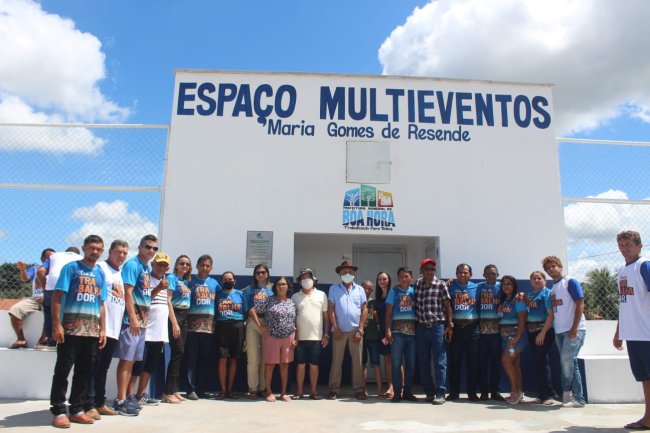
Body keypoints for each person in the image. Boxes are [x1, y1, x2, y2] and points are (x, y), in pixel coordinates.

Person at [49, 235, 107, 429]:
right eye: (92, 248)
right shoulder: (71, 268)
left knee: (84, 372)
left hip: (92, 332)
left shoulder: (100, 273)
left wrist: (103, 329)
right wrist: (56, 325)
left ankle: (76, 409)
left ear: (102, 251)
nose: (95, 252)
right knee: (63, 371)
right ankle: (58, 411)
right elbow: (57, 297)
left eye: (98, 249)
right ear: (84, 248)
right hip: (70, 330)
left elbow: (101, 304)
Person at [113, 234, 161, 415]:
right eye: (148, 247)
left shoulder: (146, 268)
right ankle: (120, 400)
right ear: (140, 247)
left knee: (133, 361)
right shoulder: (133, 265)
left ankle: (127, 396)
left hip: (142, 323)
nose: (151, 250)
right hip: (131, 322)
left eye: (154, 248)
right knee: (126, 361)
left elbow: (146, 295)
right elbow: (128, 292)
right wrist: (133, 318)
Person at [83, 240, 128, 420]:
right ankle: (88, 405)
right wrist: (100, 326)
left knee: (103, 368)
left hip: (114, 329)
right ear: (110, 252)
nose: (121, 255)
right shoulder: (101, 267)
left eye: (125, 253)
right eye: (118, 252)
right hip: (100, 328)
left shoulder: (120, 274)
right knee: (91, 367)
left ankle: (99, 403)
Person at [613, 230, 650, 430]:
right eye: (621, 245)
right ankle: (648, 417)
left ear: (639, 246)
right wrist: (619, 332)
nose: (624, 248)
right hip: (633, 334)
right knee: (644, 377)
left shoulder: (644, 266)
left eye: (628, 244)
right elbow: (624, 304)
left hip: (647, 333)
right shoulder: (621, 270)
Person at [543, 255, 587, 408]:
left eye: (553, 266)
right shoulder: (553, 289)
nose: (551, 269)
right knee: (569, 362)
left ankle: (573, 396)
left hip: (573, 329)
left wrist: (574, 327)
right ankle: (573, 397)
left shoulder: (570, 282)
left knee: (566, 361)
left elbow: (580, 303)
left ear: (560, 267)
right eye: (548, 268)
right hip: (559, 331)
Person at [129, 252, 172, 407]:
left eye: (164, 265)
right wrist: (159, 288)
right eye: (159, 264)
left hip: (159, 332)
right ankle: (129, 395)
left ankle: (141, 394)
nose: (161, 267)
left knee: (150, 366)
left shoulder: (166, 282)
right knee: (137, 366)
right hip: (145, 330)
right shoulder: (146, 279)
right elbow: (146, 299)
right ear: (153, 264)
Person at [249, 276, 297, 402]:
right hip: (272, 337)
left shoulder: (292, 303)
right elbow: (252, 311)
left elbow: (294, 321)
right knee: (270, 365)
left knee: (285, 365)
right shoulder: (269, 300)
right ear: (275, 287)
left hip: (288, 338)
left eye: (284, 284)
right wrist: (260, 326)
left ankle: (283, 393)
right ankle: (268, 392)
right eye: (279, 284)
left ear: (288, 286)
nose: (281, 286)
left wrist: (295, 338)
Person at [327, 260, 368, 400]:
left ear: (354, 274)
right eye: (344, 272)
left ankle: (359, 389)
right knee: (336, 361)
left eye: (350, 272)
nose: (347, 274)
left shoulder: (360, 290)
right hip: (339, 330)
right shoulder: (334, 289)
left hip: (356, 330)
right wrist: (335, 327)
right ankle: (334, 389)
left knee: (357, 361)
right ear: (340, 274)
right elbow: (330, 309)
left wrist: (360, 330)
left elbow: (364, 310)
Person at [414, 259, 452, 405]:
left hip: (437, 327)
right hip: (421, 328)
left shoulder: (441, 284)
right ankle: (429, 392)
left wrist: (450, 325)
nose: (430, 272)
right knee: (423, 361)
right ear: (421, 271)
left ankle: (440, 393)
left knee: (440, 361)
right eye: (427, 269)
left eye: (432, 269)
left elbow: (447, 306)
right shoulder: (417, 284)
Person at [185, 254, 219, 400]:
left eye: (207, 266)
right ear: (197, 266)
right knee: (191, 360)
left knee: (204, 360)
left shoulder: (214, 284)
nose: (204, 268)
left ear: (211, 268)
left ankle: (201, 389)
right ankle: (190, 389)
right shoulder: (189, 281)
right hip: (192, 328)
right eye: (202, 265)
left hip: (209, 329)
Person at [291, 268, 329, 400]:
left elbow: (326, 316)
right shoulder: (295, 297)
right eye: (303, 278)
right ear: (299, 281)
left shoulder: (322, 295)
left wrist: (326, 334)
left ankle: (313, 391)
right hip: (300, 338)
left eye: (308, 277)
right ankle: (299, 391)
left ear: (314, 280)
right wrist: (294, 337)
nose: (306, 280)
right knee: (300, 365)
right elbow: (292, 318)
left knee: (314, 365)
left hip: (317, 338)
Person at [8, 248, 54, 349]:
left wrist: (46, 297)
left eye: (52, 258)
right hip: (35, 299)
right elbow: (25, 278)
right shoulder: (35, 269)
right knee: (15, 309)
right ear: (42, 259)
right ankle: (21, 339)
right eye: (47, 258)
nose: (50, 260)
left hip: (51, 298)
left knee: (50, 312)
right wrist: (23, 270)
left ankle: (43, 339)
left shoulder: (57, 270)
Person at [447, 263, 480, 401]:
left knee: (473, 362)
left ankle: (472, 393)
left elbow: (495, 287)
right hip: (456, 330)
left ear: (470, 275)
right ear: (456, 274)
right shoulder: (449, 286)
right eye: (460, 272)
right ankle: (454, 393)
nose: (462, 275)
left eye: (465, 272)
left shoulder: (477, 287)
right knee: (454, 362)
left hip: (472, 329)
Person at [385, 267, 418, 402]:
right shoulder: (394, 291)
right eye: (401, 276)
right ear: (398, 278)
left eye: (406, 276)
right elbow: (388, 313)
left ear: (411, 278)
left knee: (411, 365)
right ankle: (397, 393)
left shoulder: (415, 291)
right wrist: (388, 330)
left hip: (412, 334)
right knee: (396, 364)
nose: (404, 279)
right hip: (397, 333)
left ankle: (408, 392)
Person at [163, 255, 192, 403]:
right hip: (175, 316)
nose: (184, 266)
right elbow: (168, 301)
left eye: (187, 264)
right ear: (176, 265)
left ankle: (174, 390)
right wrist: (174, 323)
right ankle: (167, 392)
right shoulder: (172, 278)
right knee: (177, 353)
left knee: (180, 354)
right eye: (182, 263)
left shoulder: (185, 281)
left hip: (185, 318)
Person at [214, 271, 247, 399]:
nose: (228, 281)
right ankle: (223, 390)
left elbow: (246, 310)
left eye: (230, 279)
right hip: (222, 326)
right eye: (225, 279)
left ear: (235, 281)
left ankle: (230, 390)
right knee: (222, 358)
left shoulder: (240, 294)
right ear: (222, 281)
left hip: (237, 326)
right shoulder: (217, 294)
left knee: (234, 358)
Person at [526, 270, 557, 405]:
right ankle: (541, 394)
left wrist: (543, 333)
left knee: (542, 362)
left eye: (539, 278)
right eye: (534, 278)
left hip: (544, 332)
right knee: (538, 362)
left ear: (545, 280)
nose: (537, 280)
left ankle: (548, 395)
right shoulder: (529, 295)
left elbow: (551, 315)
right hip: (531, 332)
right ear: (531, 281)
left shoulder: (547, 293)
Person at [43, 247, 83, 350]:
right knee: (67, 310)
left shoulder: (54, 256)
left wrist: (44, 287)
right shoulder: (81, 258)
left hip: (51, 283)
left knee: (48, 310)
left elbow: (40, 270)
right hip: (68, 284)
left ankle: (51, 339)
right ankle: (66, 339)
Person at [243, 264, 273, 399]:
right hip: (253, 323)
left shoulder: (273, 289)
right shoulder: (249, 290)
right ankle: (253, 388)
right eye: (258, 272)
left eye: (263, 272)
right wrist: (258, 323)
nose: (260, 275)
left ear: (267, 274)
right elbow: (247, 309)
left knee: (266, 359)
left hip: (268, 324)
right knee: (253, 358)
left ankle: (263, 387)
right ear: (254, 275)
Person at [498, 275, 528, 405]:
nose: (506, 286)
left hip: (515, 337)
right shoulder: (505, 300)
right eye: (504, 284)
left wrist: (516, 338)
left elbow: (522, 320)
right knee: (514, 364)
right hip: (506, 337)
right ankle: (520, 392)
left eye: (509, 284)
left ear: (514, 285)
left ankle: (514, 393)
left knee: (505, 361)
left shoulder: (518, 299)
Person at [477, 264, 505, 401]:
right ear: (483, 275)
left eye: (493, 274)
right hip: (481, 333)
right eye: (488, 273)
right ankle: (484, 392)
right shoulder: (479, 287)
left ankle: (495, 392)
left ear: (498, 275)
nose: (490, 276)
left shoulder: (502, 287)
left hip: (497, 333)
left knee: (495, 364)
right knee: (482, 364)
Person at [375, 271, 399, 399]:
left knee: (397, 360)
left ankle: (400, 387)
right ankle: (390, 386)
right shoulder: (378, 298)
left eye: (384, 279)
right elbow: (379, 318)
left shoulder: (394, 293)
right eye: (380, 279)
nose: (382, 281)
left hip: (394, 330)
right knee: (387, 359)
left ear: (389, 280)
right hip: (383, 332)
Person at [361, 279, 383, 398]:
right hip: (361, 337)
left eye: (370, 289)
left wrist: (374, 314)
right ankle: (363, 390)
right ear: (361, 287)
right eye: (365, 287)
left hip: (373, 337)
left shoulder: (375, 302)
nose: (367, 290)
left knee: (376, 363)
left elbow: (379, 321)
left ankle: (379, 390)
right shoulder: (357, 301)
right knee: (362, 364)